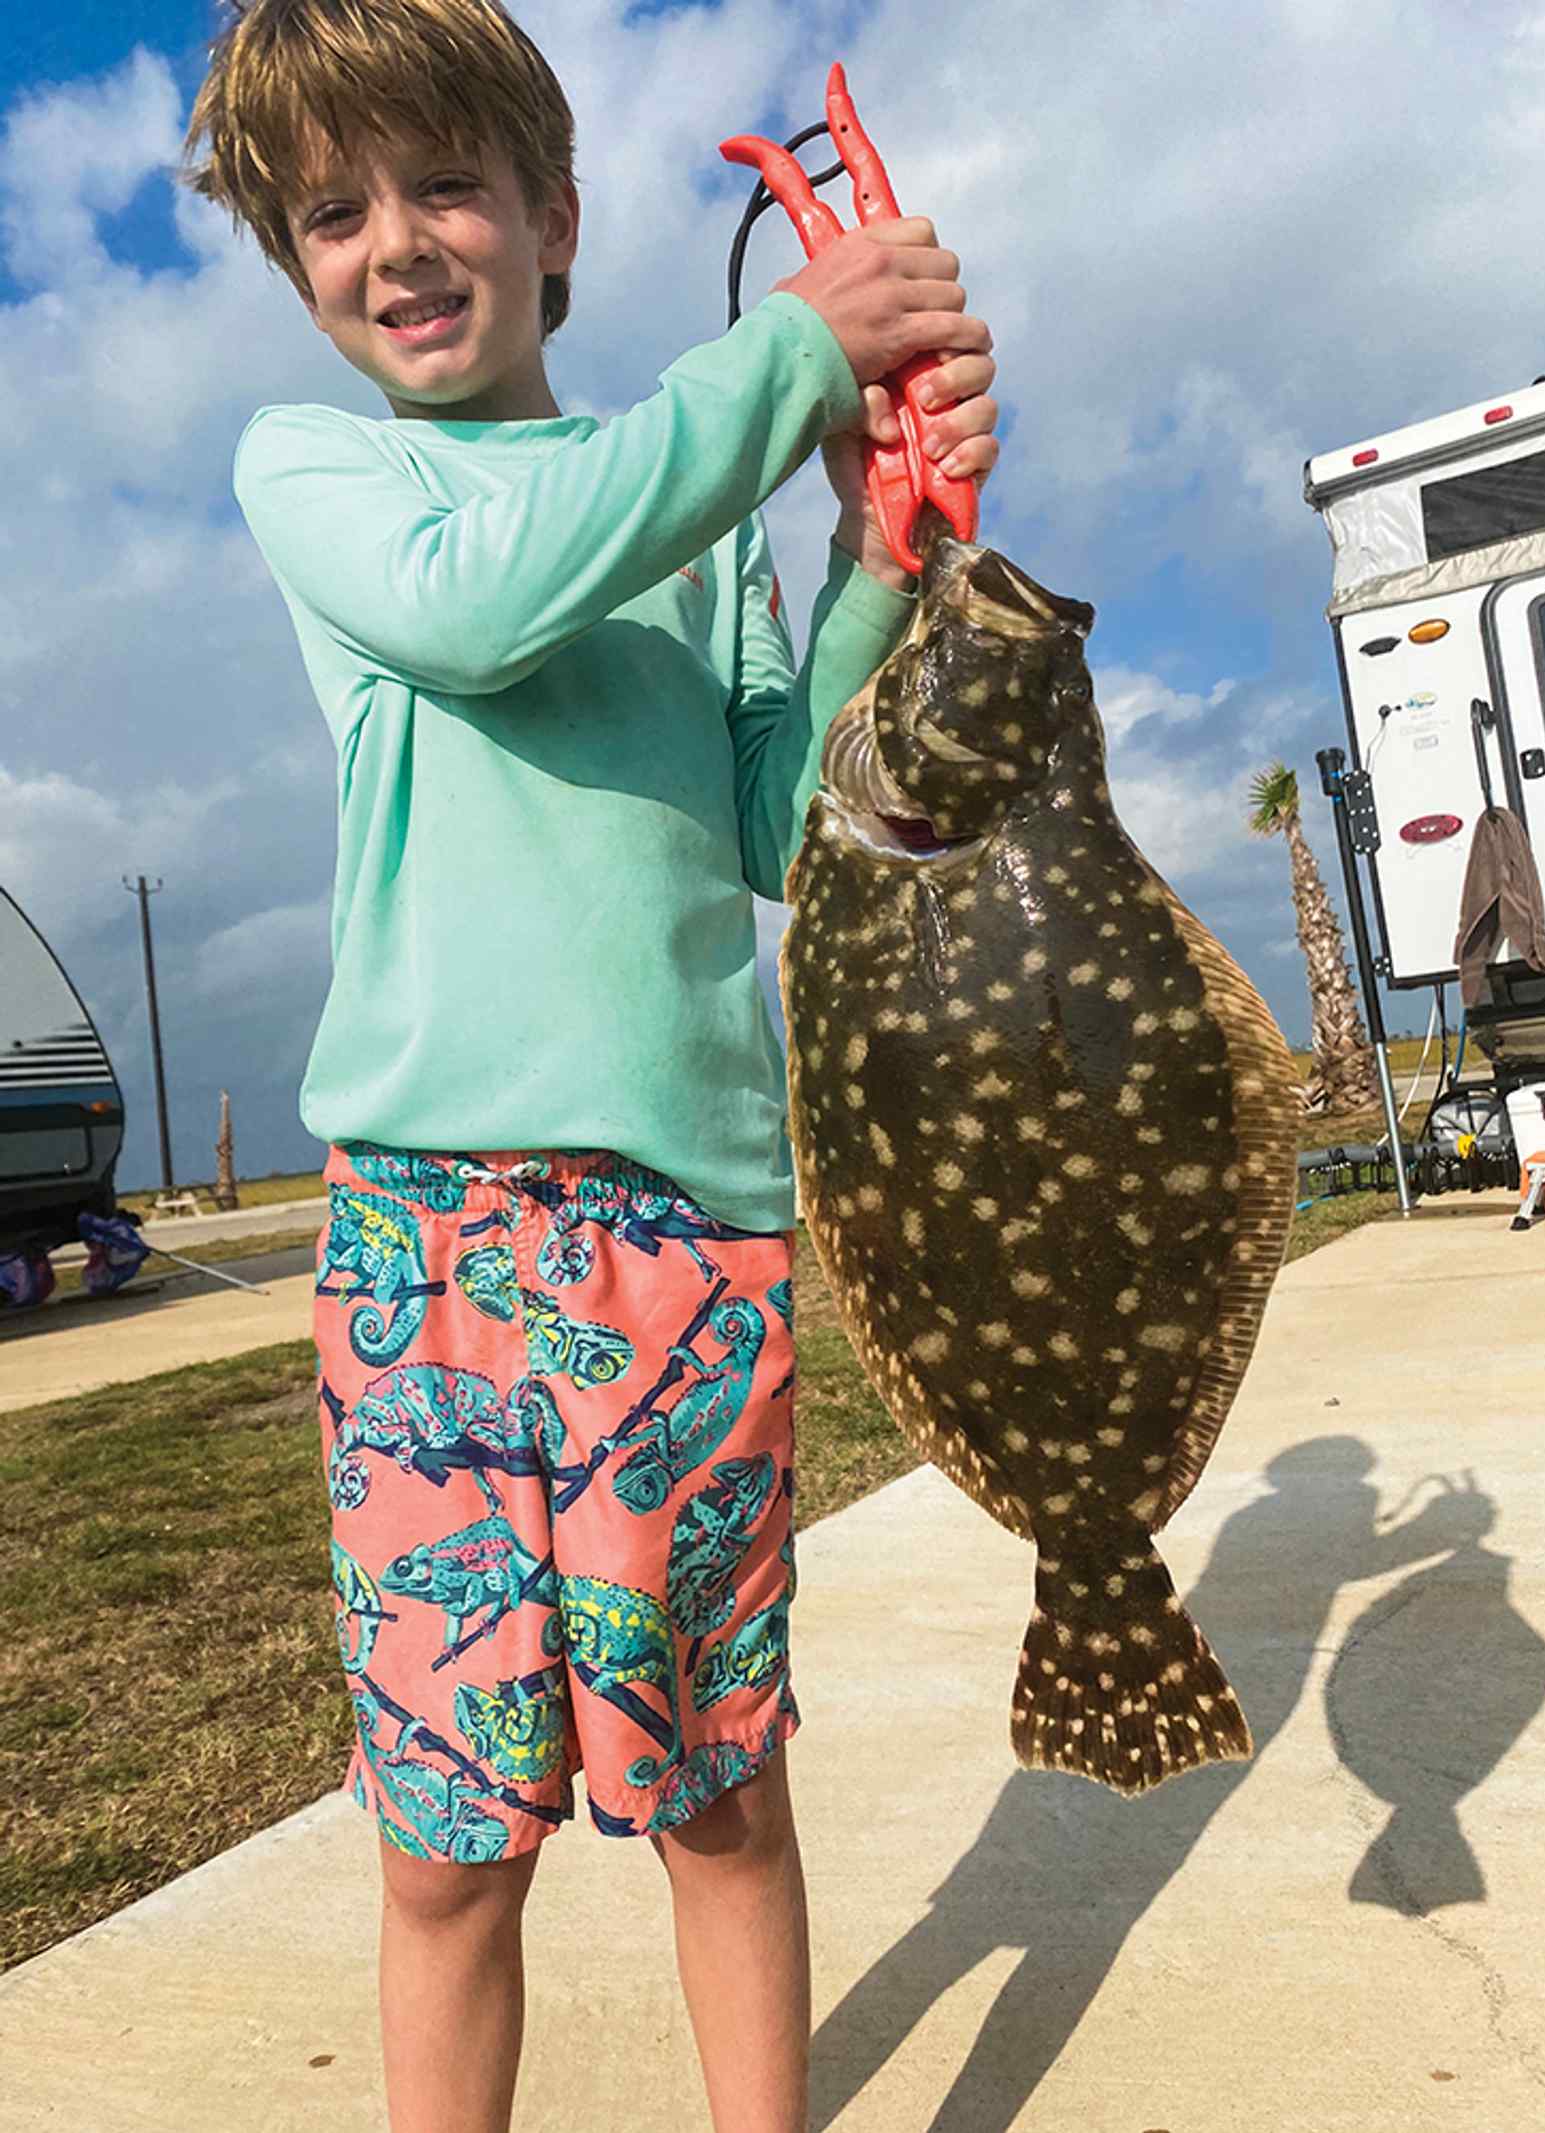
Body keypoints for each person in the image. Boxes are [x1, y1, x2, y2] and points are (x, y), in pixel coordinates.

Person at [180, 4, 998, 2128]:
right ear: (297, 270)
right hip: (423, 1247)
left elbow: (788, 825)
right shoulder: (325, 473)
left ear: (555, 220)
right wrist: (793, 357)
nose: (396, 243)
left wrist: (873, 551)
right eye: (333, 214)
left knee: (720, 1797)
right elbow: (481, 605)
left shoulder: (703, 512)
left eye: (446, 184)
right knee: (448, 1847)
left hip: (682, 1248)